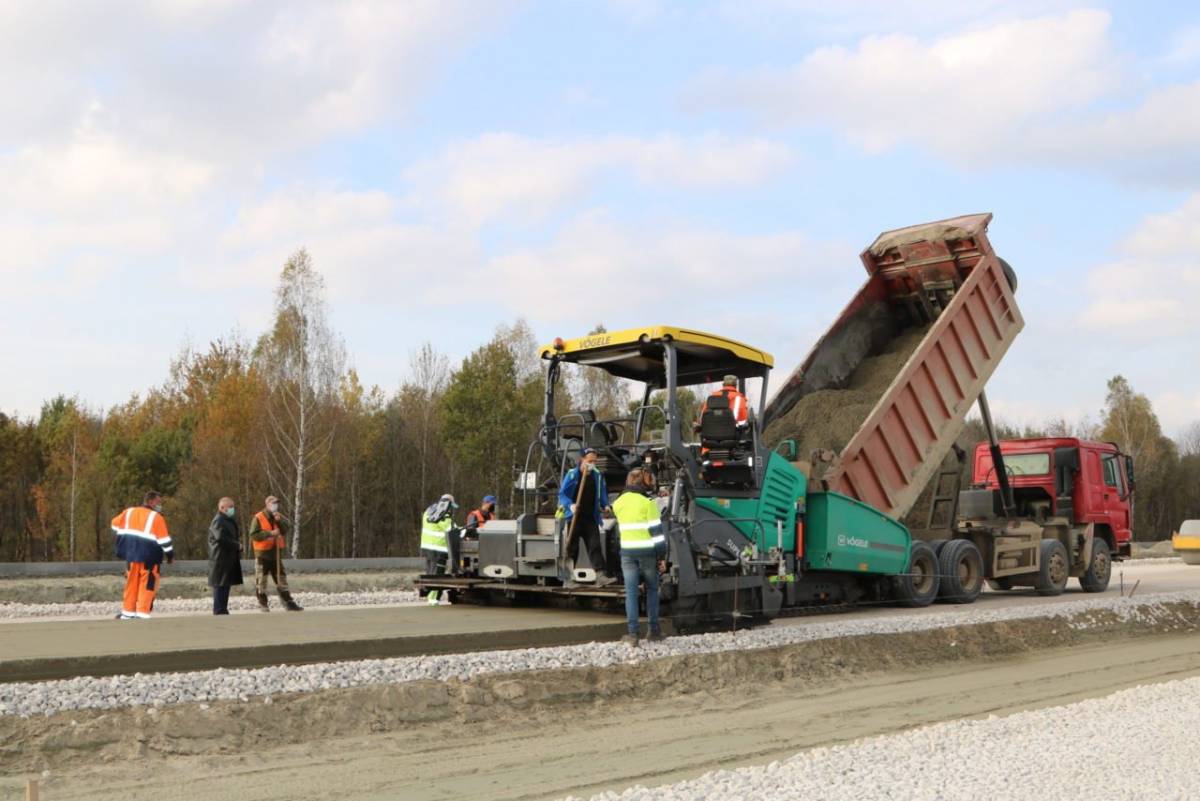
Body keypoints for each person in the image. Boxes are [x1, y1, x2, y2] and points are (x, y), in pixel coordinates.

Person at [612, 468, 668, 647]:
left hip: (627, 554)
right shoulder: (648, 503)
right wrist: (662, 557)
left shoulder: (618, 503)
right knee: (652, 590)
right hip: (647, 553)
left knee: (631, 593)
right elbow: (657, 533)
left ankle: (633, 634)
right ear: (642, 482)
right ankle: (654, 631)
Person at [110, 490, 174, 619]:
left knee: (131, 583)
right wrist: (170, 556)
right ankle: (142, 613)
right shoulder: (156, 517)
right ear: (150, 501)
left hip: (131, 556)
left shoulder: (129, 512)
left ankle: (128, 613)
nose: (159, 505)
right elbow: (165, 541)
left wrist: (127, 535)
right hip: (149, 557)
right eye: (158, 502)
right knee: (147, 585)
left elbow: (114, 524)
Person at [558, 448, 616, 587]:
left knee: (595, 546)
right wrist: (570, 505)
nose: (592, 464)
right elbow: (562, 494)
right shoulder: (572, 475)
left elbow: (601, 492)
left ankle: (600, 576)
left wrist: (606, 505)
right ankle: (567, 579)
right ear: (582, 460)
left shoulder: (597, 475)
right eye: (590, 461)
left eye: (595, 461)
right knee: (571, 548)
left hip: (590, 517)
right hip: (575, 517)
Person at [248, 495, 302, 612]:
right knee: (261, 580)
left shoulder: (278, 516)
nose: (276, 505)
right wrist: (270, 533)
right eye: (273, 503)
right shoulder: (258, 517)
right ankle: (263, 603)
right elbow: (254, 535)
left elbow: (285, 529)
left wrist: (279, 521)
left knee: (281, 579)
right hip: (262, 555)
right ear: (267, 504)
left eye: (277, 503)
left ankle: (288, 602)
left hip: (276, 554)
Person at [207, 496, 244, 615]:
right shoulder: (218, 520)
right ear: (222, 508)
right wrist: (236, 545)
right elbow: (220, 538)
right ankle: (219, 610)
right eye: (231, 507)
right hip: (220, 559)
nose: (233, 509)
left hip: (226, 558)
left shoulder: (227, 520)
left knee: (225, 585)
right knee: (220, 585)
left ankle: (223, 609)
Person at [421, 493, 458, 605]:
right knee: (438, 574)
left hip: (427, 547)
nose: (452, 509)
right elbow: (453, 530)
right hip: (438, 549)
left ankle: (429, 597)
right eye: (451, 506)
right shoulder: (443, 515)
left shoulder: (429, 511)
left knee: (430, 572)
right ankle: (433, 599)